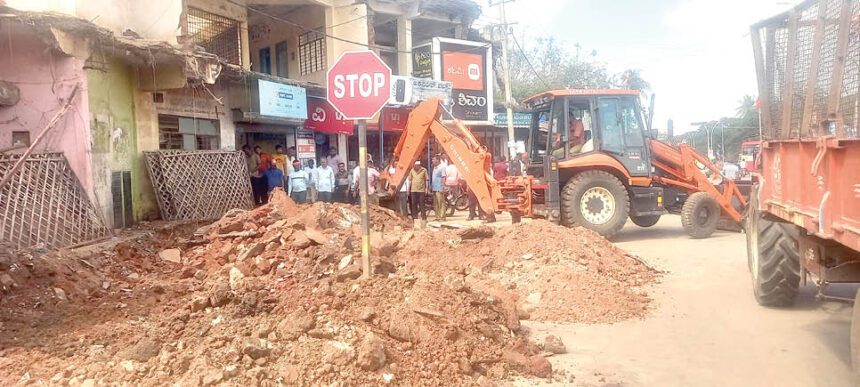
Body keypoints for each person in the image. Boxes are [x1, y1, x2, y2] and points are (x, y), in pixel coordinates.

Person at [431, 155, 447, 221]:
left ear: (437, 160)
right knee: (435, 203)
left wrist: (442, 187)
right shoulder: (434, 167)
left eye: (433, 159)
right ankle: (437, 216)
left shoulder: (442, 167)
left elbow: (443, 177)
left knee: (441, 202)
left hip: (439, 187)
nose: (432, 161)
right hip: (434, 187)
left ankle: (442, 217)